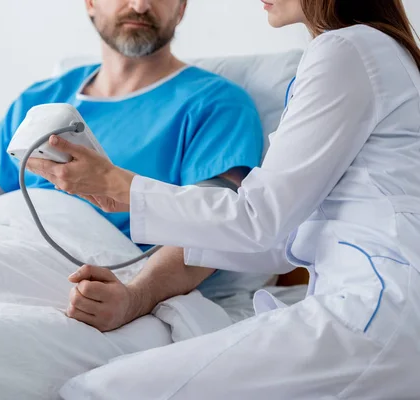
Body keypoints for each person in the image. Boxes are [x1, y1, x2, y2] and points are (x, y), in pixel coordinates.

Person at [29, 0, 420, 397]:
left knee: (97, 390)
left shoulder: (347, 51)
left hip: (377, 308)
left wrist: (121, 186)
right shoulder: (375, 51)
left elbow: (257, 220)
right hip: (387, 311)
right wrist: (135, 282)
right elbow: (281, 234)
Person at [0, 0, 271, 331]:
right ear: (90, 2)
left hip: (84, 274)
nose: (140, 5)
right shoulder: (42, 99)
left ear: (182, 7)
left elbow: (213, 229)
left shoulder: (215, 104)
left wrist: (135, 297)